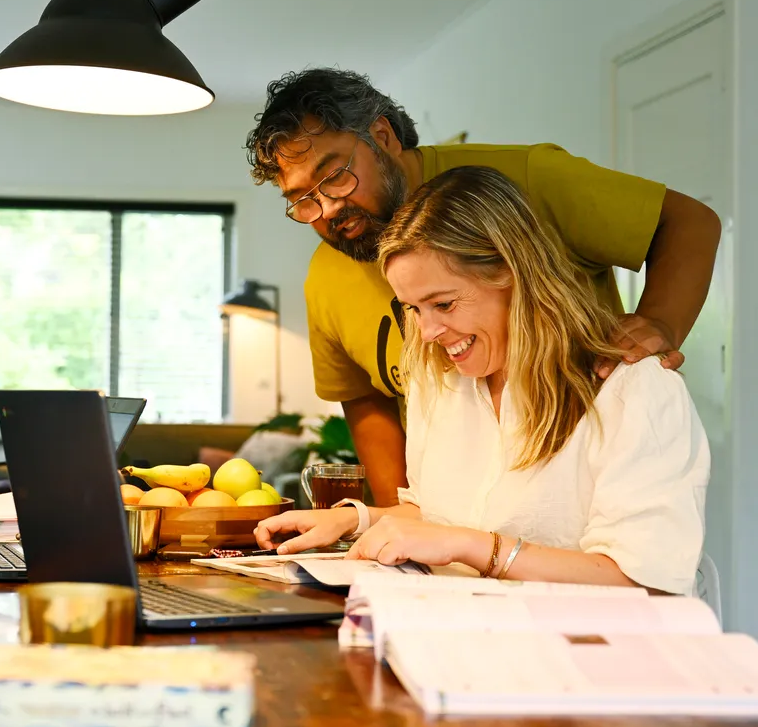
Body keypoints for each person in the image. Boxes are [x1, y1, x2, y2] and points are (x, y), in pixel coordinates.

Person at [245, 68, 722, 506]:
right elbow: (367, 401)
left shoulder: (523, 183)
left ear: (383, 137)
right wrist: (399, 532)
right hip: (463, 516)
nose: (326, 209)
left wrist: (659, 322)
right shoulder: (327, 275)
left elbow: (687, 223)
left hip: (581, 487)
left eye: (334, 177)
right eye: (302, 199)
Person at [254, 167, 708, 594]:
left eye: (444, 304)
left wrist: (472, 547)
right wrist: (357, 520)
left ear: (511, 272)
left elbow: (642, 582)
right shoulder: (441, 383)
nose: (428, 333)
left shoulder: (634, 391)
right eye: (414, 309)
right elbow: (438, 512)